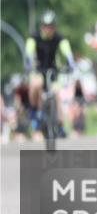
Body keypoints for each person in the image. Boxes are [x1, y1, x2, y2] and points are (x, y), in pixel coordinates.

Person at [25, 10, 76, 140]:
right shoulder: (34, 37)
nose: (48, 29)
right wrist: (29, 62)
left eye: (51, 26)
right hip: (38, 70)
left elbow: (66, 49)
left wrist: (71, 61)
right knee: (36, 85)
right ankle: (34, 112)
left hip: (54, 71)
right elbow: (29, 50)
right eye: (46, 26)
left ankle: (59, 126)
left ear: (54, 27)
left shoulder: (59, 38)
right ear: (41, 26)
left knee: (57, 95)